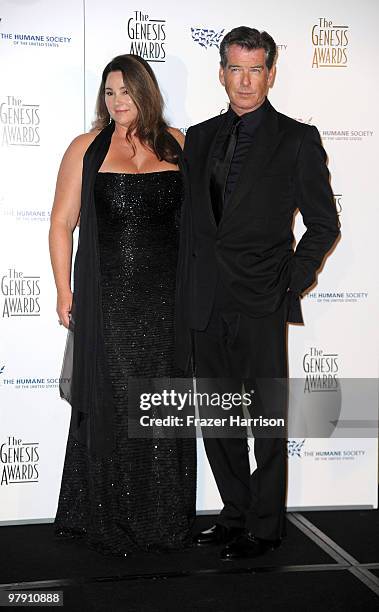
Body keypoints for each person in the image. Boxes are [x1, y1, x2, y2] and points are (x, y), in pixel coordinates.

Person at [175, 27, 340, 560]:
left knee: (267, 420)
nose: (244, 81)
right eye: (235, 69)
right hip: (205, 300)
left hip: (261, 299)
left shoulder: (296, 139)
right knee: (219, 419)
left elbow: (322, 223)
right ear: (221, 72)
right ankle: (235, 513)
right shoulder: (196, 139)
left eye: (255, 70)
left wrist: (290, 280)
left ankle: (265, 526)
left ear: (271, 73)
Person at [49, 54, 196, 556]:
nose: (117, 102)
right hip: (107, 302)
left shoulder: (177, 144)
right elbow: (61, 224)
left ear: (145, 92)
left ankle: (164, 517)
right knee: (113, 403)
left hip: (167, 302)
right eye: (109, 93)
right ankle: (109, 518)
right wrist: (65, 292)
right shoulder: (86, 148)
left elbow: (200, 224)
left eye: (126, 92)